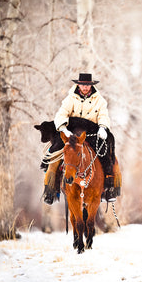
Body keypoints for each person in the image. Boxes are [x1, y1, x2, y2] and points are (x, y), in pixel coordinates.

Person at [44, 72, 119, 203]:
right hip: (71, 132)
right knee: (54, 154)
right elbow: (61, 114)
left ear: (91, 85)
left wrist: (103, 127)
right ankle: (51, 190)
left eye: (87, 85)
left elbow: (103, 115)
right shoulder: (70, 99)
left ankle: (108, 188)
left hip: (92, 132)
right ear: (78, 84)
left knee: (106, 154)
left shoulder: (100, 100)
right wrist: (64, 129)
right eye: (83, 85)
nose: (85, 87)